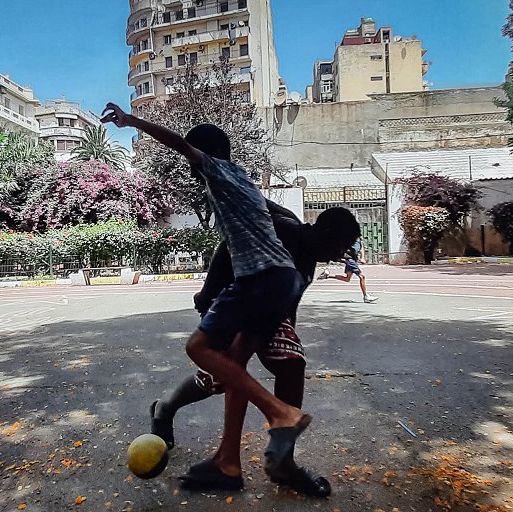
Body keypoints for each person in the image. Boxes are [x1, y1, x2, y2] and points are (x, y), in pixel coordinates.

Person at [101, 103, 314, 487]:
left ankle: (280, 417)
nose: (189, 166)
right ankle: (227, 461)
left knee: (201, 349)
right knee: (230, 365)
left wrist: (130, 121)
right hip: (274, 281)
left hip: (259, 280)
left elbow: (178, 144)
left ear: (204, 154)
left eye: (192, 158)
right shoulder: (242, 182)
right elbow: (268, 220)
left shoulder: (217, 170)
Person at [152, 203, 358, 496]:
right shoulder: (281, 230)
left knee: (290, 361)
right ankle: (166, 408)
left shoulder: (309, 259)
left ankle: (282, 460)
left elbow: (288, 303)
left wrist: (283, 333)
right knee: (222, 375)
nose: (340, 256)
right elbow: (229, 245)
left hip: (265, 309)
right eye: (340, 246)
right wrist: (209, 293)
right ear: (324, 232)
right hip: (231, 297)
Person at [323, 238, 376, 303]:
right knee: (362, 277)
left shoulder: (358, 238)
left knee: (347, 279)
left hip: (354, 259)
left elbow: (361, 246)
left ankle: (327, 276)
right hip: (349, 259)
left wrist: (362, 257)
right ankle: (366, 296)